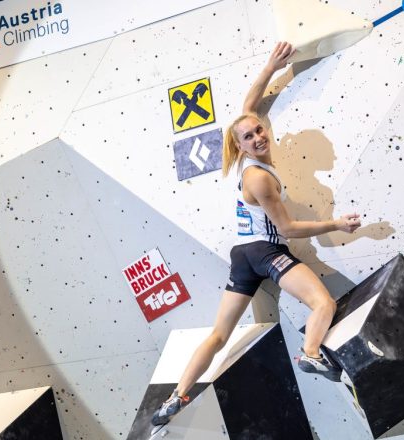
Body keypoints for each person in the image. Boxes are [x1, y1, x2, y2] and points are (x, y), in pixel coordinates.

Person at [151, 41, 361, 430]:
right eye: (249, 137)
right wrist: (337, 224)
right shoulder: (260, 177)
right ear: (240, 145)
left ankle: (175, 397)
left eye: (259, 130)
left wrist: (271, 67)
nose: (259, 136)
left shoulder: (248, 159)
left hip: (242, 256)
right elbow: (288, 229)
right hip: (265, 251)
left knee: (218, 334)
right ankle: (311, 352)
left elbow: (249, 104)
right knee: (323, 304)